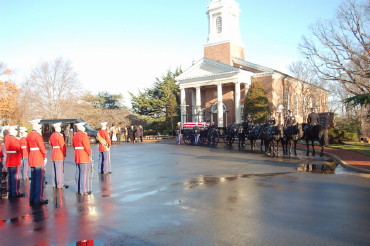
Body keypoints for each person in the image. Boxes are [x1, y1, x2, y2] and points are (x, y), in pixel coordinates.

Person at [27, 119, 48, 205]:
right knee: (39, 179)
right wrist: (44, 156)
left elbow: (28, 148)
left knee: (33, 179)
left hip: (32, 157)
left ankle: (32, 197)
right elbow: (42, 148)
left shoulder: (29, 135)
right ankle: (38, 199)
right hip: (38, 157)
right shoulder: (37, 135)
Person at [73, 122, 92, 195]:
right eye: (83, 126)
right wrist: (89, 154)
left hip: (77, 154)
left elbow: (74, 146)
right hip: (83, 155)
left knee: (78, 172)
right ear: (81, 127)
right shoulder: (84, 135)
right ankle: (83, 190)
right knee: (84, 173)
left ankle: (78, 189)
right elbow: (87, 147)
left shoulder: (75, 135)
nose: (84, 127)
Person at [5, 126, 24, 198]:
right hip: (15, 159)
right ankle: (15, 191)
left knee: (10, 176)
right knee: (15, 176)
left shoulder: (7, 139)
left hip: (9, 159)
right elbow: (19, 148)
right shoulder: (15, 139)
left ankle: (10, 189)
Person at [49, 122, 68, 189]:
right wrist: (64, 154)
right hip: (59, 153)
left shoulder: (52, 135)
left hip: (53, 152)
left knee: (54, 170)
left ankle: (54, 184)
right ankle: (60, 184)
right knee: (59, 170)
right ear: (58, 128)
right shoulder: (59, 136)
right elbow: (62, 145)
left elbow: (51, 144)